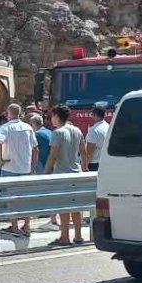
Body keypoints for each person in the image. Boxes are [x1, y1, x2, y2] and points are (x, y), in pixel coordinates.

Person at [45, 105, 86, 245]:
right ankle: (78, 236)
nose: (51, 119)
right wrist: (85, 169)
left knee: (64, 207)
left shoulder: (57, 132)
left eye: (52, 116)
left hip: (62, 173)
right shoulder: (77, 130)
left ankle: (64, 236)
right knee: (76, 206)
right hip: (76, 172)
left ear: (57, 116)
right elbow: (83, 151)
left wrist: (46, 172)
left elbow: (53, 155)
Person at [0, 103, 38, 236]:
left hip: (9, 167)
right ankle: (26, 225)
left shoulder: (5, 127)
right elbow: (35, 148)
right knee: (26, 198)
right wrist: (33, 167)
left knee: (10, 198)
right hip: (25, 168)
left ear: (8, 113)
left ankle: (14, 226)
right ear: (20, 114)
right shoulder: (28, 128)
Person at [29, 113, 59, 231]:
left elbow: (35, 150)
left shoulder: (37, 134)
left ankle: (45, 212)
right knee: (51, 190)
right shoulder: (49, 131)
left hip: (43, 164)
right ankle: (52, 216)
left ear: (33, 124)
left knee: (43, 190)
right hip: (52, 164)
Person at [83, 105, 111, 171]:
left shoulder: (94, 130)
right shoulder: (108, 126)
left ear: (95, 115)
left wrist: (85, 165)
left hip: (94, 164)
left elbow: (90, 150)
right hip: (105, 162)